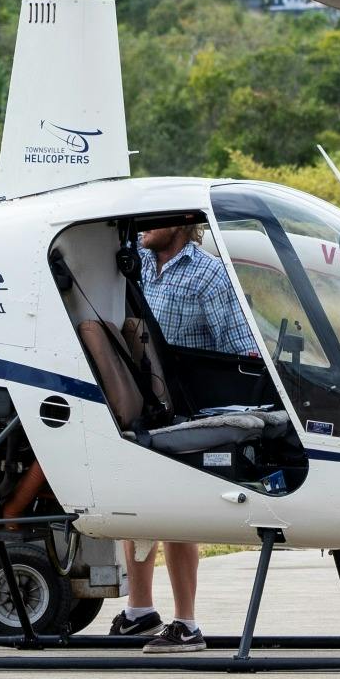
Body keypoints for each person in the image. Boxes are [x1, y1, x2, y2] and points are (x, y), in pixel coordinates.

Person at [116, 217, 258, 652]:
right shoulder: (132, 261)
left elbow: (239, 349)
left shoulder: (209, 274)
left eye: (151, 221)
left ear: (179, 224)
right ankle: (139, 611)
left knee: (177, 513)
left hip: (185, 411)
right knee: (133, 508)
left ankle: (187, 623)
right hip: (137, 403)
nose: (141, 228)